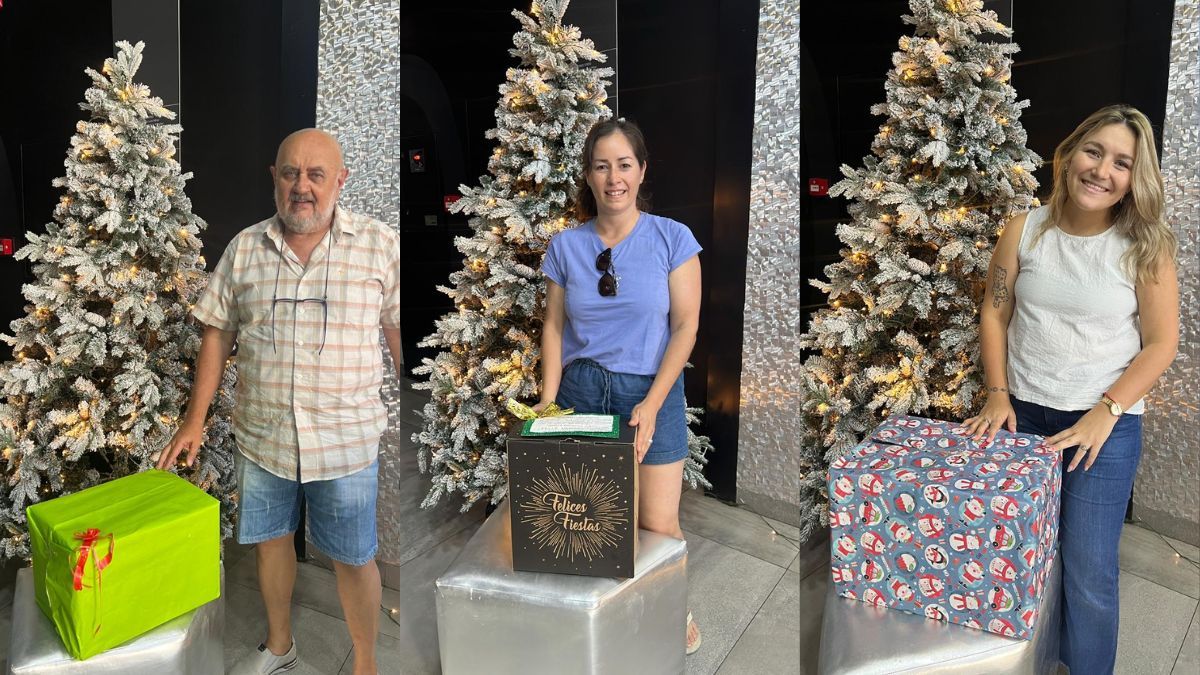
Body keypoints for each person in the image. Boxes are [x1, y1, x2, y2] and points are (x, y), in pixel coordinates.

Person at [158, 129, 401, 675]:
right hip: (263, 436)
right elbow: (217, 332)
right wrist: (195, 420)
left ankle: (365, 663)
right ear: (274, 179)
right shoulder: (245, 248)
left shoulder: (381, 246)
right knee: (271, 544)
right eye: (290, 173)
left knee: (355, 558)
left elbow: (398, 331)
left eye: (316, 175)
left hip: (345, 442)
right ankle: (279, 646)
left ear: (341, 181)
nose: (302, 187)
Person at [964, 105, 1179, 674]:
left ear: (1136, 178)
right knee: (1018, 555)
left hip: (1102, 429)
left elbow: (1161, 344)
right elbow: (995, 310)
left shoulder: (1146, 247)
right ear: (1069, 153)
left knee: (1088, 572)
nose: (1102, 170)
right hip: (1022, 417)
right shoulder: (1025, 228)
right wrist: (997, 391)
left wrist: (1106, 411)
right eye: (1094, 151)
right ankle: (1030, 661)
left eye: (1122, 163)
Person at [536, 118, 704, 655]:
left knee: (657, 521)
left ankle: (671, 610)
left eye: (624, 165)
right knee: (588, 518)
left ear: (641, 170)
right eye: (602, 166)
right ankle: (601, 620)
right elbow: (555, 327)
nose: (614, 177)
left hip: (650, 391)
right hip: (580, 394)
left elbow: (686, 327)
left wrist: (653, 403)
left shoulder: (672, 239)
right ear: (588, 176)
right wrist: (546, 400)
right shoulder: (565, 246)